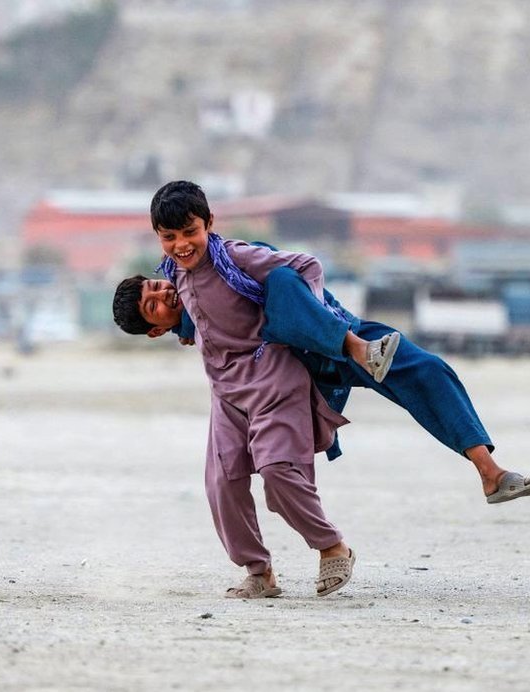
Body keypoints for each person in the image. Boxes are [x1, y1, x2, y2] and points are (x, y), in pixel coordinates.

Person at [113, 183, 530, 504]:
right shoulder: (195, 310)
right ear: (156, 330)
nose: (165, 292)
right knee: (267, 467)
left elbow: (298, 270)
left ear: (208, 224)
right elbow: (201, 326)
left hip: (337, 332)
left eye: (157, 285)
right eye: (155, 306)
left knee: (427, 370)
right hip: (294, 370)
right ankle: (304, 554)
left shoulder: (234, 258)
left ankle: (490, 472)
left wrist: (327, 315)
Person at [115, 183, 359, 600]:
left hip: (273, 379)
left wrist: (310, 319)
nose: (181, 245)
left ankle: (331, 547)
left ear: (209, 223)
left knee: (279, 472)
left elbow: (306, 265)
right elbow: (187, 313)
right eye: (169, 237)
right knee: (221, 484)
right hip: (226, 394)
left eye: (189, 232)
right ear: (158, 237)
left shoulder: (233, 258)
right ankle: (259, 572)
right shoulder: (174, 274)